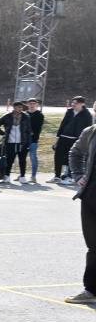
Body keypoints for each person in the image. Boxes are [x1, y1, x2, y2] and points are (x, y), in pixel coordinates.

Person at [66, 122, 96, 304]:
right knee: (93, 246)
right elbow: (75, 152)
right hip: (91, 195)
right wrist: (78, 175)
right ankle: (91, 290)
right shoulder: (91, 131)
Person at [55, 97, 92, 185]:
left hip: (75, 139)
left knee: (71, 157)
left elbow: (88, 129)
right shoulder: (69, 111)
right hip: (63, 137)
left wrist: (83, 140)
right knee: (58, 156)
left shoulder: (87, 114)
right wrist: (58, 137)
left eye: (75, 103)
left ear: (82, 104)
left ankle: (70, 177)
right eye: (72, 103)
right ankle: (57, 176)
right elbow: (63, 124)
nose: (73, 104)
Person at [0, 101, 32, 183]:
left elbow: (29, 131)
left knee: (22, 160)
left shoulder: (26, 117)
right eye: (18, 107)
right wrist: (3, 133)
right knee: (9, 160)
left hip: (22, 142)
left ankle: (22, 176)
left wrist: (28, 143)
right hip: (10, 142)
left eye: (21, 107)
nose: (20, 109)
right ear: (14, 107)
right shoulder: (7, 116)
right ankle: (7, 176)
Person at [26, 97, 44, 183]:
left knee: (33, 157)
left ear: (36, 105)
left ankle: (33, 176)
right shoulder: (24, 114)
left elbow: (38, 129)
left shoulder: (39, 115)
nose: (32, 105)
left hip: (33, 140)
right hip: (23, 140)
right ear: (27, 104)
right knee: (22, 158)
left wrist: (33, 135)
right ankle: (21, 174)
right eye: (30, 103)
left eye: (34, 104)